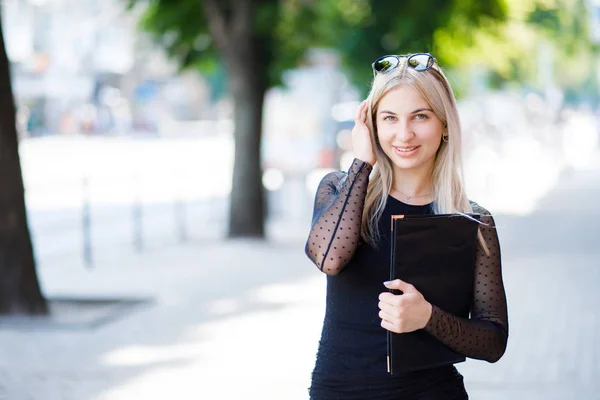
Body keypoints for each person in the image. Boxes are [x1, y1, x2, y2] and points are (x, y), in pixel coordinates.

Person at [305, 53, 509, 399]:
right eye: (389, 118)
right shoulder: (340, 189)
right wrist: (361, 163)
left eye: (420, 116)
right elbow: (330, 259)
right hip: (338, 391)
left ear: (444, 124)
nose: (404, 133)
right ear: (371, 125)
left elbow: (492, 342)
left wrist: (427, 316)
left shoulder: (471, 221)